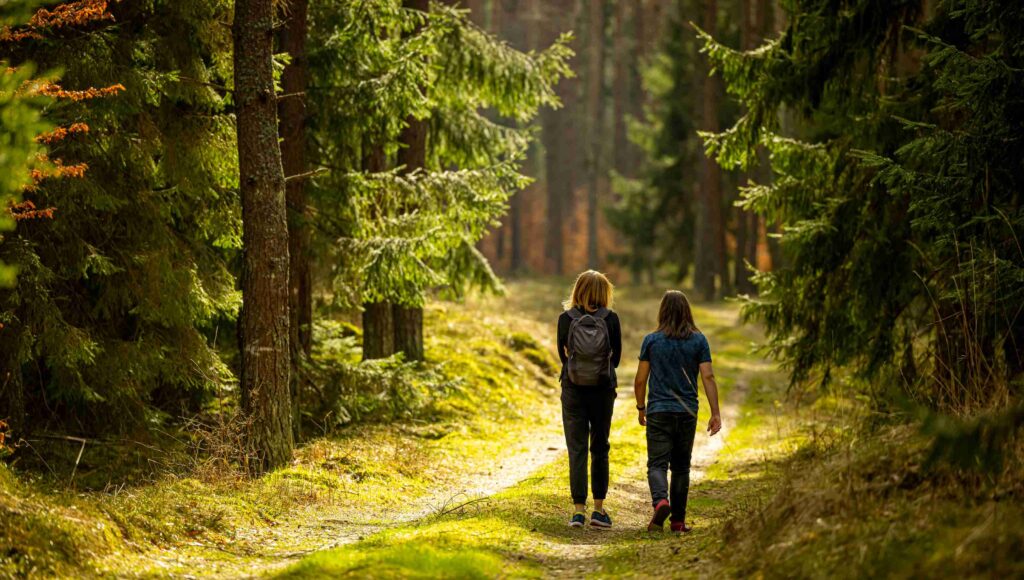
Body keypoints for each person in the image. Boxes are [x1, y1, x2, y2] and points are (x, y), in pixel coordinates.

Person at [633, 290, 722, 533]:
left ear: (662, 311)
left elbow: (640, 380)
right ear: (687, 312)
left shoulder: (651, 340)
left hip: (659, 411)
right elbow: (708, 376)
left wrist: (642, 407)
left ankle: (661, 501)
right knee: (681, 467)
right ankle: (678, 522)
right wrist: (715, 412)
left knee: (657, 464)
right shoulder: (699, 340)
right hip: (686, 412)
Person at [557, 270, 622, 528]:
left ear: (578, 290)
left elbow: (562, 357)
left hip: (573, 389)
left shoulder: (565, 318)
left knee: (577, 448)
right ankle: (598, 511)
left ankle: (577, 511)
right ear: (604, 292)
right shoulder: (611, 319)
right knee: (600, 446)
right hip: (603, 389)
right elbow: (615, 359)